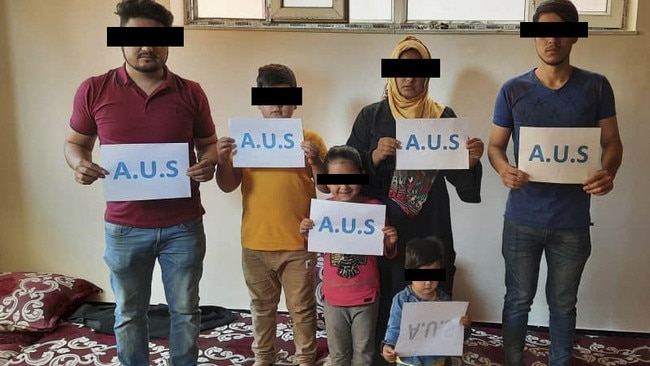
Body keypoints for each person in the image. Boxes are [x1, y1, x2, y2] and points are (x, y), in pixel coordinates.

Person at [63, 1, 218, 365]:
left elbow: (208, 144)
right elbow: (74, 143)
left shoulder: (191, 91)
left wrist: (209, 162)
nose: (146, 46)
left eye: (156, 38)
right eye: (136, 38)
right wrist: (79, 164)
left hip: (184, 226)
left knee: (185, 312)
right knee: (130, 313)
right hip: (124, 228)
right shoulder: (94, 89)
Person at [487, 1, 624, 365]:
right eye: (543, 32)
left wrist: (607, 172)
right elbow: (495, 147)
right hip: (521, 219)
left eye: (561, 32)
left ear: (574, 37)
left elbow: (612, 143)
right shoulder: (512, 89)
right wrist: (503, 169)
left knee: (563, 305)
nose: (551, 40)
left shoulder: (596, 86)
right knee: (517, 299)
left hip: (572, 222)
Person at [346, 35, 483, 366]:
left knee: (431, 284)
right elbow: (345, 174)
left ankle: (434, 356)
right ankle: (386, 355)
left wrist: (471, 162)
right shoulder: (371, 116)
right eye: (402, 71)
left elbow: (462, 184)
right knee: (387, 288)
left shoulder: (442, 115)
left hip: (431, 220)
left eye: (419, 71)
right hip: (385, 223)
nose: (410, 79)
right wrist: (373, 156)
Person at [215, 64, 328, 366]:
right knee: (261, 306)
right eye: (269, 99)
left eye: (285, 99)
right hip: (255, 243)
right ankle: (264, 357)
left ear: (295, 102)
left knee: (301, 308)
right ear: (259, 103)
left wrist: (316, 160)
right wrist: (223, 160)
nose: (277, 106)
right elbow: (227, 186)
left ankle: (305, 357)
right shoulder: (244, 140)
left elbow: (327, 187)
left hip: (298, 242)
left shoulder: (311, 139)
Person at [299, 145, 399, 366]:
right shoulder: (323, 211)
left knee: (364, 351)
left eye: (350, 179)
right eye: (335, 180)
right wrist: (307, 232)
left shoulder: (374, 208)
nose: (343, 186)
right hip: (333, 296)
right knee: (338, 353)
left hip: (366, 295)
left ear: (362, 177)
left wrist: (390, 242)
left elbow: (383, 250)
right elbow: (315, 247)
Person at [381, 237, 472, 366]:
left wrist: (464, 326)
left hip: (437, 362)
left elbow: (456, 335)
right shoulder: (402, 300)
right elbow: (394, 328)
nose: (428, 282)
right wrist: (388, 345)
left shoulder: (444, 301)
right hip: (408, 362)